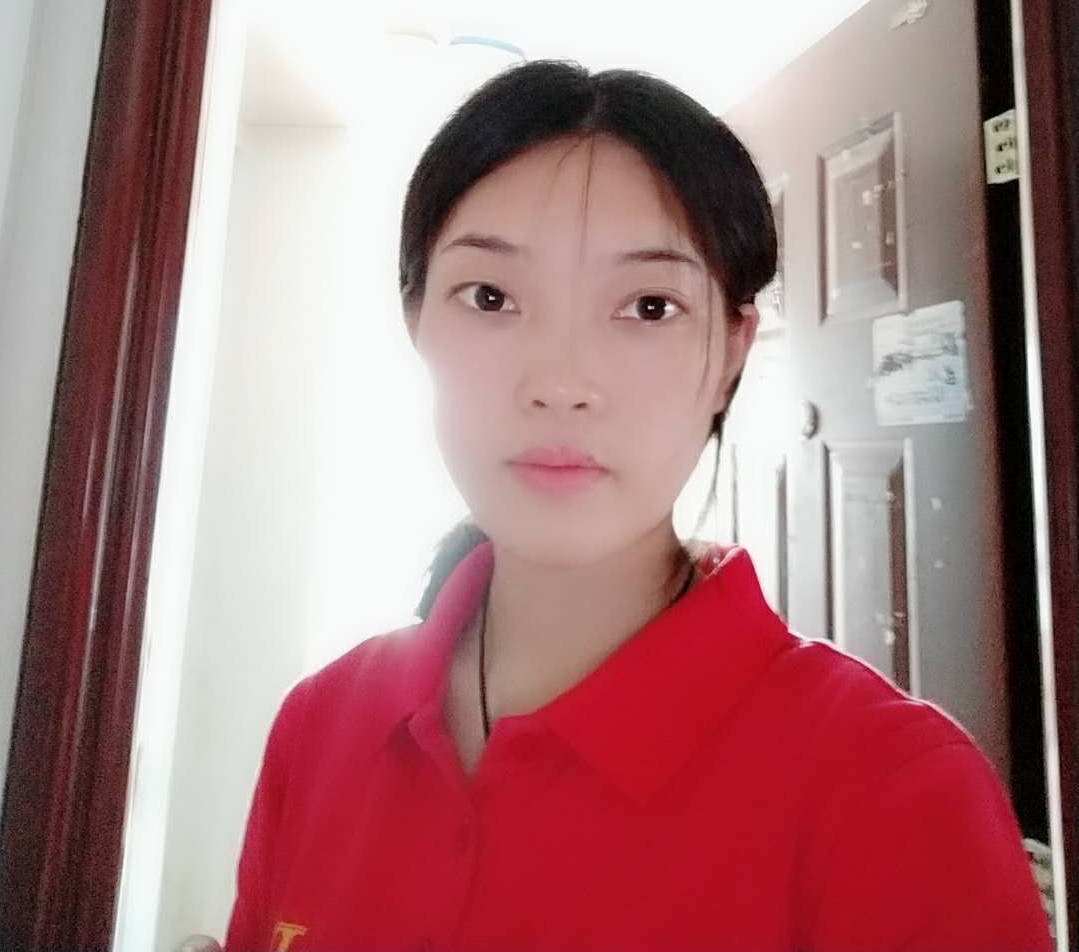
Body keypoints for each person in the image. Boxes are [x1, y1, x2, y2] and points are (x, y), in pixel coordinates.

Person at [223, 59, 1052, 952]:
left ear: (732, 352)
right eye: (491, 296)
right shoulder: (322, 723)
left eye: (650, 306)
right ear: (416, 319)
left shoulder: (893, 789)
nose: (561, 382)